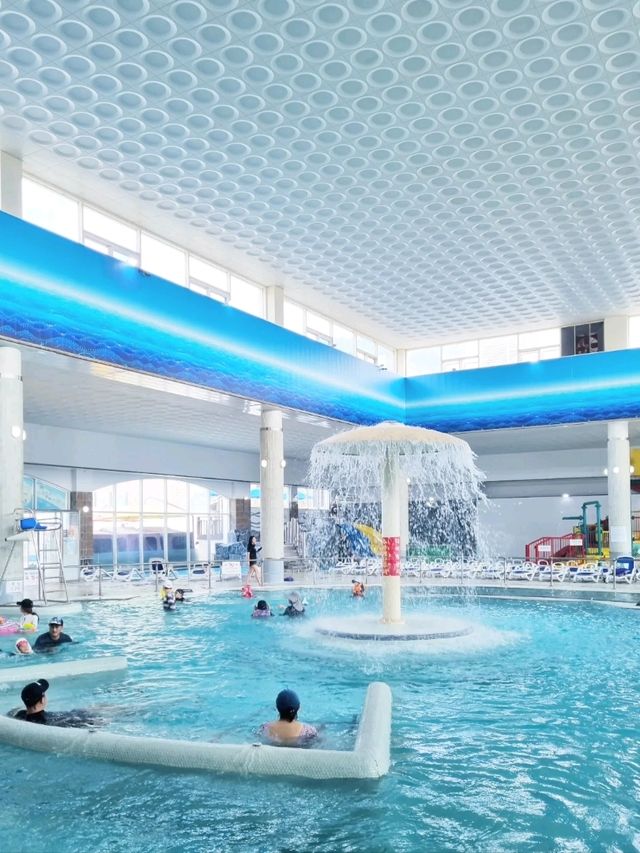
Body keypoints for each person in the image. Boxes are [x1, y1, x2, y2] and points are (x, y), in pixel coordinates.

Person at [9, 679, 105, 728]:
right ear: (42, 700)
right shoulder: (47, 720)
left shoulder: (20, 715)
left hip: (72, 714)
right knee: (100, 709)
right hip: (76, 717)